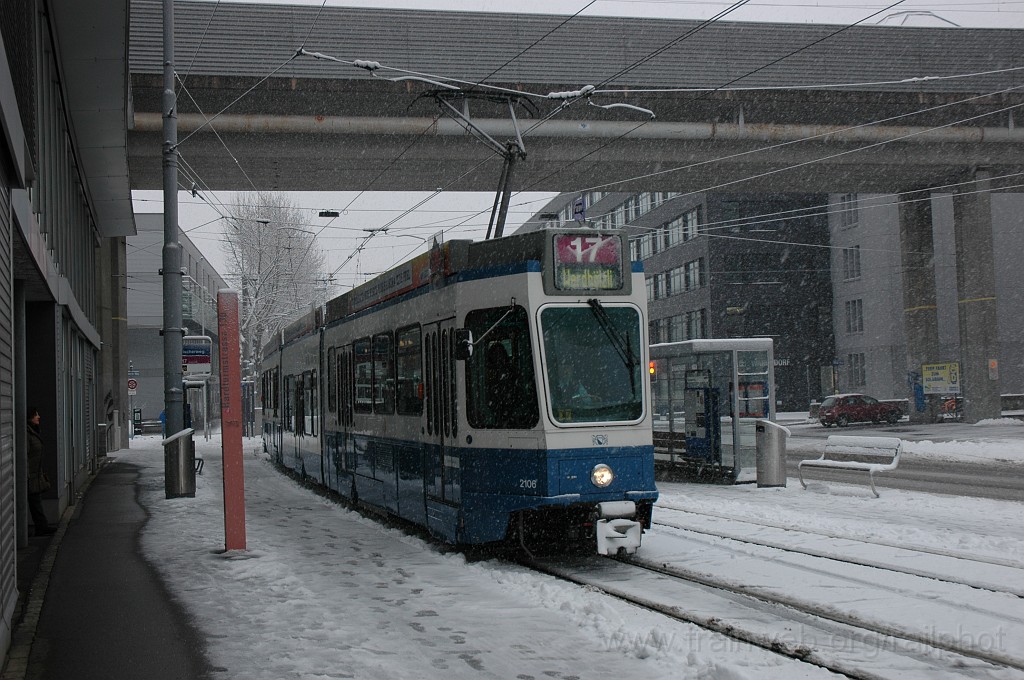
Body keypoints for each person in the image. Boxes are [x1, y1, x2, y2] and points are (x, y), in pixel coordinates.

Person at [26, 407, 55, 536]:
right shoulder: (27, 434)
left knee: (35, 501)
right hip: (29, 475)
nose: (38, 417)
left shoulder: (32, 431)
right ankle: (41, 527)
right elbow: (25, 456)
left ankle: (42, 526)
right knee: (34, 501)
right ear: (29, 417)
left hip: (34, 474)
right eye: (35, 415)